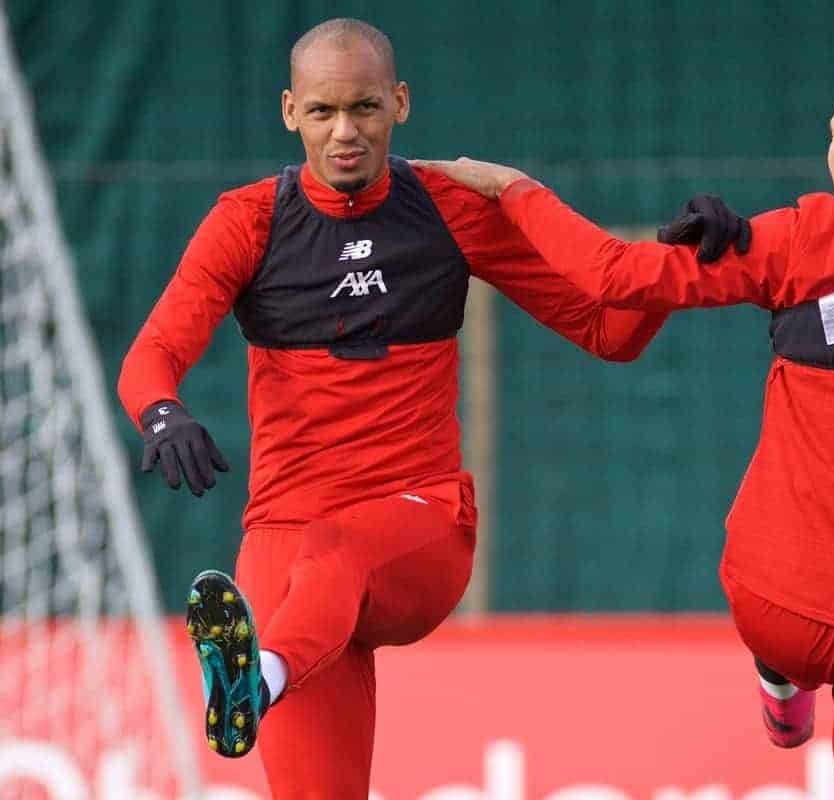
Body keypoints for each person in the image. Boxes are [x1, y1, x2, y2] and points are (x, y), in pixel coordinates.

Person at [416, 45, 834, 800]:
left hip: (781, 607)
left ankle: (782, 679)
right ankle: (790, 679)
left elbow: (612, 275)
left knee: (772, 567)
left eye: (832, 136)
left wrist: (515, 189)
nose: (830, 152)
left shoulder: (813, 235)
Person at [116, 17, 674, 799]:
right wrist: (162, 412)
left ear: (400, 103)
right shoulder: (248, 220)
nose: (345, 132)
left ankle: (260, 676)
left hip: (417, 525)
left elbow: (607, 331)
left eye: (366, 108)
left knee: (335, 556)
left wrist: (666, 272)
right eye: (322, 112)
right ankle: (268, 669)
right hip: (287, 542)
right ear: (288, 112)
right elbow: (152, 355)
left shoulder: (449, 207)